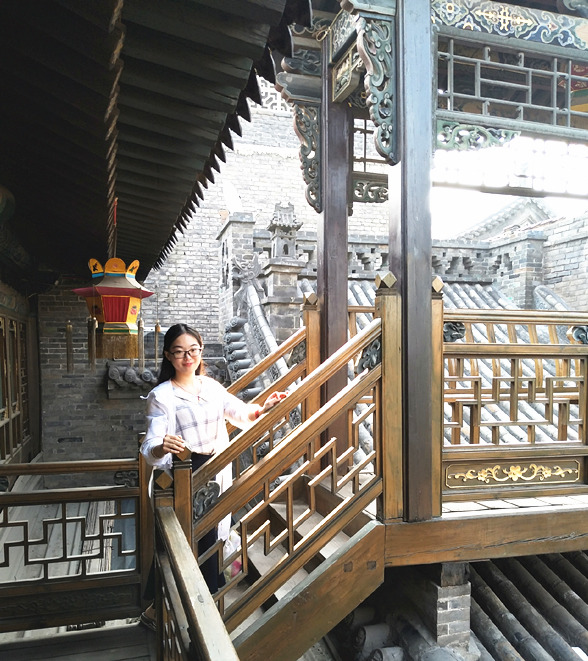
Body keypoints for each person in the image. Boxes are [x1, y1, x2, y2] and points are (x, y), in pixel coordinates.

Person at [139, 322, 287, 631]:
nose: (187, 357)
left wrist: (263, 408)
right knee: (179, 544)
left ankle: (202, 613)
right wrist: (161, 445)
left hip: (214, 475)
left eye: (193, 350)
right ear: (168, 356)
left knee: (209, 544)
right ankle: (161, 610)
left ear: (201, 350)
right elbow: (150, 444)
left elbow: (239, 412)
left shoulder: (211, 387)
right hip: (181, 476)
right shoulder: (161, 396)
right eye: (179, 352)